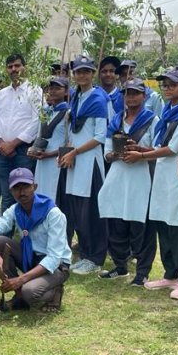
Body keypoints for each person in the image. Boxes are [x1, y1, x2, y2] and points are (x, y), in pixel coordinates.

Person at [125, 67, 178, 300]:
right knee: (164, 226)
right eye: (164, 84)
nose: (167, 88)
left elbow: (173, 148)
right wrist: (142, 149)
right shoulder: (168, 110)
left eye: (172, 84)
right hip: (162, 176)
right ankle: (171, 273)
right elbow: (161, 145)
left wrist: (142, 156)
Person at [97, 78, 158, 285]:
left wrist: (139, 153)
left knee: (140, 224)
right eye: (127, 93)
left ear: (144, 95)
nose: (131, 97)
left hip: (141, 177)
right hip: (117, 176)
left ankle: (142, 271)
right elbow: (106, 152)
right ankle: (120, 265)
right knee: (116, 221)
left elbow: (159, 150)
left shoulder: (152, 120)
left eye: (135, 93)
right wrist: (114, 154)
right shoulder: (115, 121)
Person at [0, 169, 72, 312]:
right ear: (11, 191)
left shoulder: (53, 213)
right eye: (16, 188)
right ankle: (19, 295)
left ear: (34, 187)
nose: (21, 192)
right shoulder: (15, 210)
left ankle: (54, 291)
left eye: (25, 186)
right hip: (32, 258)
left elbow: (54, 257)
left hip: (57, 265)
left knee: (29, 291)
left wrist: (21, 279)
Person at [58, 56, 110, 274]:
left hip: (89, 163)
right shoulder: (76, 97)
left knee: (92, 213)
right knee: (78, 211)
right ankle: (86, 252)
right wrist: (68, 149)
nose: (82, 75)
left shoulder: (99, 98)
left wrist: (76, 152)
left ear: (92, 73)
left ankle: (96, 257)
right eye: (78, 72)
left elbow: (99, 136)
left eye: (86, 71)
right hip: (74, 162)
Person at [0, 54, 40, 214]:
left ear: (25, 68)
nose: (14, 69)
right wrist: (0, 143)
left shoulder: (35, 90)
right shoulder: (2, 94)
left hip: (23, 152)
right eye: (10, 66)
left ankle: (27, 234)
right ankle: (6, 237)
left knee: (26, 194)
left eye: (17, 66)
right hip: (2, 152)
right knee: (6, 196)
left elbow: (36, 122)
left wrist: (13, 144)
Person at [31, 76, 69, 203]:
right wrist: (34, 150)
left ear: (66, 91)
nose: (53, 91)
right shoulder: (46, 112)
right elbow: (39, 135)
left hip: (56, 161)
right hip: (41, 161)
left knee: (53, 196)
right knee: (39, 192)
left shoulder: (68, 113)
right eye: (51, 88)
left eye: (57, 88)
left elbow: (69, 142)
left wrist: (50, 154)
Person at [98, 56, 122, 120]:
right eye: (104, 71)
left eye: (112, 71)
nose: (108, 74)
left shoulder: (122, 97)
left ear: (117, 75)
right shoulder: (94, 96)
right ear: (99, 74)